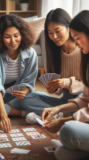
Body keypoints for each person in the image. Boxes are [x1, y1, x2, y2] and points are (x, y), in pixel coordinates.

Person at [41, 10, 89, 160]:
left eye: (77, 38)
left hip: (77, 102)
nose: (75, 43)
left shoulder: (81, 54)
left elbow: (81, 93)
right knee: (61, 154)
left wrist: (63, 121)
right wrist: (58, 108)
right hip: (76, 105)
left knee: (68, 131)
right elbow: (86, 100)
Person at [24, 8, 83, 124]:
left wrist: (67, 82)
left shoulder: (83, 49)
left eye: (57, 31)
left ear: (69, 27)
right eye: (50, 33)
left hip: (80, 99)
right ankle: (59, 115)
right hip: (65, 100)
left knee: (81, 104)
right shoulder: (53, 53)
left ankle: (53, 115)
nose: (54, 37)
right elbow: (59, 92)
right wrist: (54, 88)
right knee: (27, 98)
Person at [0, 14, 38, 132]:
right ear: (0, 37)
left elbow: (29, 81)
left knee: (35, 98)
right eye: (7, 37)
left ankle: (2, 109)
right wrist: (4, 115)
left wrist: (24, 92)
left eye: (16, 35)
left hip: (17, 95)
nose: (13, 41)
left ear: (22, 35)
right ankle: (25, 113)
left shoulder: (31, 53)